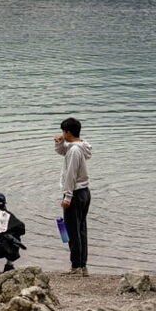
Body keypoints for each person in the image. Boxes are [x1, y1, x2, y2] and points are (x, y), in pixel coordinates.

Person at [55, 117, 93, 276]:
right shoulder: (81, 147)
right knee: (81, 229)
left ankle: (76, 266)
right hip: (85, 192)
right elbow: (63, 150)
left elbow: (71, 175)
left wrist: (67, 197)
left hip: (75, 194)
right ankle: (83, 266)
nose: (62, 134)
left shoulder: (74, 151)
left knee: (72, 231)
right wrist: (59, 143)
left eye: (63, 132)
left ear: (68, 132)